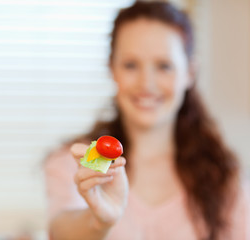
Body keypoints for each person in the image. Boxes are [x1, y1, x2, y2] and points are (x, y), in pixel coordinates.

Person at [44, 1, 249, 240]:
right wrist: (99, 222)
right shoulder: (83, 160)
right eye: (131, 65)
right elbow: (59, 232)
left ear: (190, 73)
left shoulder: (222, 176)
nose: (146, 84)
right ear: (112, 70)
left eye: (164, 66)